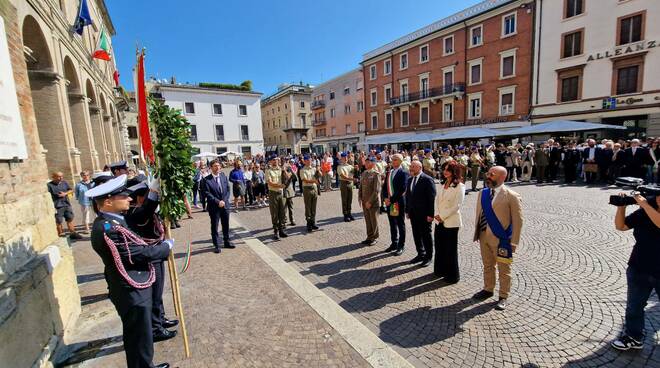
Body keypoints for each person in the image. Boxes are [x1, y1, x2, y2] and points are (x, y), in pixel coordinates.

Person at [86, 175, 173, 368]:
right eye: (123, 196)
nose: (130, 199)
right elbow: (137, 254)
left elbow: (142, 213)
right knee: (137, 336)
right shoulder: (109, 228)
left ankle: (144, 365)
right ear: (108, 201)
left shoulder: (114, 220)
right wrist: (165, 247)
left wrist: (154, 193)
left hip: (133, 287)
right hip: (131, 289)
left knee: (140, 335)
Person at [124, 179, 178, 343]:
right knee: (154, 294)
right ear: (140, 198)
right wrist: (154, 193)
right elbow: (147, 210)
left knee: (159, 292)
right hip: (150, 256)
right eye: (145, 195)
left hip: (156, 252)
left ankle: (160, 319)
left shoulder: (140, 209)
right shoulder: (134, 213)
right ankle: (155, 329)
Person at [611, 192, 660, 350]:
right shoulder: (647, 206)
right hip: (639, 266)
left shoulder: (646, 205)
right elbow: (621, 226)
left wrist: (644, 204)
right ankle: (633, 336)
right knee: (634, 306)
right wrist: (621, 208)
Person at [472, 166, 523, 311]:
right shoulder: (483, 193)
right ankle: (488, 289)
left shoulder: (512, 196)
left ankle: (503, 296)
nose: (488, 176)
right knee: (488, 265)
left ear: (502, 177)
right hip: (483, 236)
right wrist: (477, 233)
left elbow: (518, 221)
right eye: (488, 173)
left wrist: (514, 242)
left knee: (504, 269)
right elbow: (480, 214)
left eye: (492, 175)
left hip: (502, 239)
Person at [434, 161, 465, 283]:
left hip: (451, 222)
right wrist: (437, 215)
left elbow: (457, 206)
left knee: (450, 249)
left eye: (448, 169)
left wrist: (442, 216)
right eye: (444, 169)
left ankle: (452, 275)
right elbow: (438, 201)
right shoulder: (443, 184)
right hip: (439, 221)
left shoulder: (460, 187)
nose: (445, 172)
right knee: (439, 247)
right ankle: (440, 270)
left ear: (454, 172)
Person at [405, 160, 437, 267]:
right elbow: (408, 197)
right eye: (411, 166)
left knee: (426, 235)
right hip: (413, 213)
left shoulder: (428, 180)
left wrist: (431, 215)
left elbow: (431, 198)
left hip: (424, 214)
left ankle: (428, 257)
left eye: (414, 166)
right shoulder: (410, 180)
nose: (411, 168)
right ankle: (420, 254)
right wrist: (408, 211)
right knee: (416, 234)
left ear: (420, 167)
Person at [202, 160, 233, 253]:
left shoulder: (223, 176)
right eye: (215, 166)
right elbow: (206, 193)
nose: (218, 167)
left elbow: (228, 189)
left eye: (218, 166)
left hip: (225, 205)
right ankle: (216, 245)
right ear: (211, 168)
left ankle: (227, 242)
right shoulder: (206, 180)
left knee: (226, 225)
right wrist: (217, 201)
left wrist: (224, 200)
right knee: (215, 226)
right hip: (214, 207)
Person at [382, 154, 408, 256]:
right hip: (389, 202)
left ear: (400, 161)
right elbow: (384, 187)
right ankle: (394, 242)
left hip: (399, 202)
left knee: (400, 224)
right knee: (392, 223)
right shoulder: (389, 172)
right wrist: (385, 199)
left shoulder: (404, 173)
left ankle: (401, 245)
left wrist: (391, 200)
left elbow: (402, 189)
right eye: (392, 159)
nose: (393, 161)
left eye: (395, 160)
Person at [47, 172, 83, 240]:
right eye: (59, 177)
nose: (61, 178)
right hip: (57, 206)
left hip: (66, 204)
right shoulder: (49, 185)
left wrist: (65, 193)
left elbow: (71, 190)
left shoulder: (64, 183)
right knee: (58, 221)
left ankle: (73, 233)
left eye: (61, 176)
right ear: (53, 177)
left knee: (70, 219)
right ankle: (60, 235)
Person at [358, 157, 381, 245]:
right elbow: (361, 187)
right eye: (366, 162)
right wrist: (360, 197)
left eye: (367, 162)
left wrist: (370, 202)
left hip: (373, 202)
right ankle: (369, 236)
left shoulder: (376, 174)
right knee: (367, 220)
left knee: (373, 220)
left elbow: (376, 190)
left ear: (372, 163)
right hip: (364, 201)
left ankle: (375, 237)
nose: (365, 164)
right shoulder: (364, 173)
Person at [266, 155, 288, 240]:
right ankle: (275, 231)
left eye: (277, 160)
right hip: (273, 193)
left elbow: (288, 178)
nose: (276, 161)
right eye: (274, 160)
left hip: (281, 193)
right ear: (271, 162)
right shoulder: (268, 171)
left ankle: (281, 230)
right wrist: (279, 185)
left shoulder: (281, 169)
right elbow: (270, 183)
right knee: (274, 213)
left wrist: (284, 171)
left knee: (282, 212)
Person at [300, 155, 320, 232]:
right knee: (308, 207)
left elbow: (320, 175)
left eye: (310, 160)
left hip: (314, 188)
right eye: (307, 160)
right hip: (307, 189)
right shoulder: (302, 170)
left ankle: (313, 222)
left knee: (313, 206)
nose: (309, 161)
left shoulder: (314, 169)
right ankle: (308, 223)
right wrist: (314, 181)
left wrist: (318, 170)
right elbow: (305, 180)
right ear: (305, 161)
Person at [337, 152, 356, 222]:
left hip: (350, 183)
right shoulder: (339, 167)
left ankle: (349, 213)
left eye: (346, 157)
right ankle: (345, 214)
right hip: (344, 183)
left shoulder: (350, 166)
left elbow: (353, 173)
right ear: (341, 159)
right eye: (343, 158)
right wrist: (351, 179)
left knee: (350, 199)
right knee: (344, 199)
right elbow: (343, 176)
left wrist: (356, 169)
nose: (345, 159)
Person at [282, 161, 296, 226]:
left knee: (291, 207)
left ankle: (292, 220)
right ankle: (284, 221)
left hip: (290, 191)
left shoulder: (289, 172)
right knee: (284, 208)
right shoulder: (281, 172)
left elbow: (294, 177)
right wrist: (283, 170)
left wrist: (291, 169)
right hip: (283, 191)